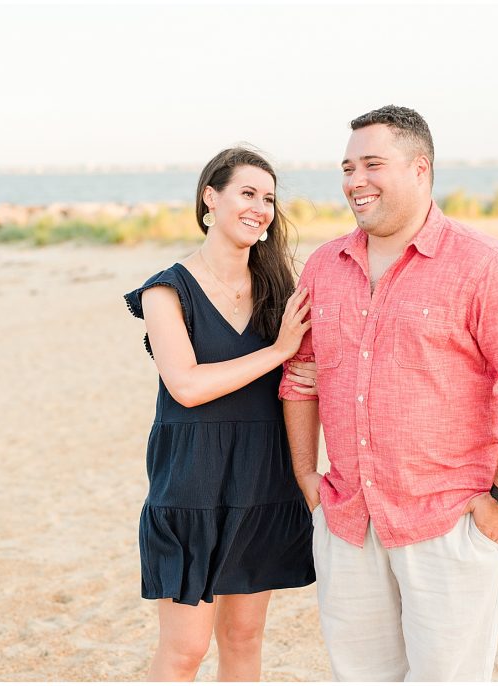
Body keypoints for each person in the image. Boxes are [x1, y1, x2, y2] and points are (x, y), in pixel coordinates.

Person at [280, 105, 498, 681]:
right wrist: (306, 476)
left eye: (371, 164)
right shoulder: (323, 265)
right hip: (347, 520)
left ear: (420, 169)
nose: (354, 181)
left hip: (449, 520)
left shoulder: (487, 265)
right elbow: (300, 375)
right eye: (347, 167)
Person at [123, 147, 318, 681]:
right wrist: (278, 352)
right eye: (247, 193)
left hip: (263, 479)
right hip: (191, 483)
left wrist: (312, 372)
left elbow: (309, 375)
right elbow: (184, 385)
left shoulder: (281, 289)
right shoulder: (167, 290)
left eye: (269, 198)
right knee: (185, 649)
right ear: (211, 197)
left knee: (243, 638)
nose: (260, 208)